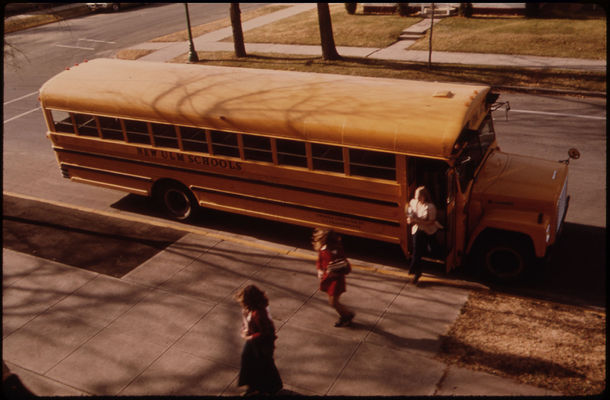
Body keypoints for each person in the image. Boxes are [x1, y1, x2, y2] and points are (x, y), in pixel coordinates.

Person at [235, 285, 283, 396]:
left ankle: (265, 389)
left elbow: (266, 333)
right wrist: (245, 330)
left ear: (250, 301)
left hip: (261, 344)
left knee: (262, 365)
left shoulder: (260, 314)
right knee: (249, 361)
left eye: (244, 300)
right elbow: (247, 322)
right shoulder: (250, 310)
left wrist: (250, 337)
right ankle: (254, 387)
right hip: (254, 341)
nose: (242, 303)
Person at [312, 228, 355, 327]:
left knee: (333, 302)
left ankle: (346, 315)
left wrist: (335, 272)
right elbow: (320, 261)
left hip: (336, 281)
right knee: (333, 301)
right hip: (329, 279)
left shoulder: (337, 251)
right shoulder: (323, 249)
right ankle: (346, 315)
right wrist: (320, 270)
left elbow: (345, 266)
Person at [406, 186, 442, 284]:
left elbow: (431, 222)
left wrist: (416, 220)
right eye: (415, 196)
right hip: (418, 229)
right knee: (416, 250)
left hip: (429, 230)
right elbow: (409, 214)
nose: (416, 198)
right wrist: (409, 219)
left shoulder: (430, 207)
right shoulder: (413, 202)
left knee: (433, 250)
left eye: (418, 196)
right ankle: (415, 271)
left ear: (423, 197)